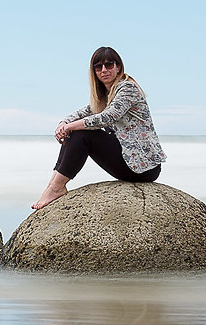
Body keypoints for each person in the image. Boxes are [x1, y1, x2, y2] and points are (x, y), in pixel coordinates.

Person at [32, 46, 164, 209]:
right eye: (98, 66)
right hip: (128, 161)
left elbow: (106, 118)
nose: (104, 70)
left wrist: (69, 127)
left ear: (118, 67)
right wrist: (63, 123)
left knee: (82, 134)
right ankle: (53, 185)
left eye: (109, 65)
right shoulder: (107, 94)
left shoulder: (127, 88)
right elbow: (86, 111)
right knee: (76, 132)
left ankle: (56, 188)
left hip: (143, 167)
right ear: (93, 71)